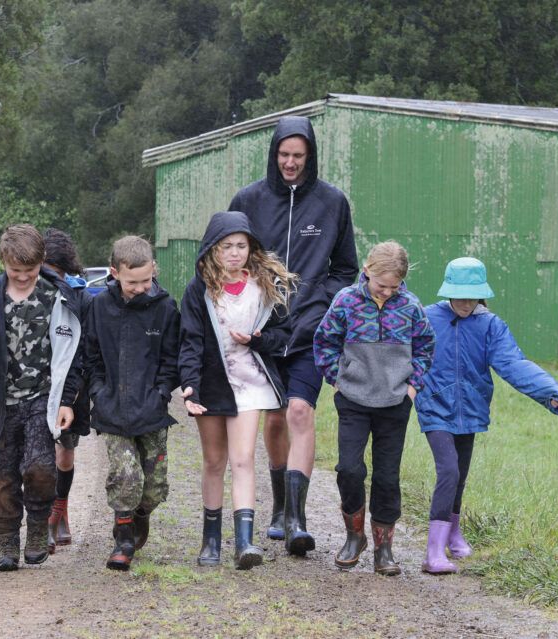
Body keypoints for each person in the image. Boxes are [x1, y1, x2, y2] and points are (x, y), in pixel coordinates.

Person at [228, 115, 358, 555]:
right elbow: (228, 258)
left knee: (300, 410)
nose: (290, 163)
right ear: (273, 153)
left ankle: (299, 518)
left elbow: (345, 270)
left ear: (311, 156)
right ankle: (279, 506)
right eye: (283, 155)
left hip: (310, 330)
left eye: (298, 156)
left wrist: (323, 304)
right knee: (277, 416)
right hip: (261, 329)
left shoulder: (333, 202)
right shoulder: (248, 200)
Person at [415, 257, 558, 574]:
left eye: (471, 296)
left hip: (470, 410)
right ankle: (433, 552)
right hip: (435, 407)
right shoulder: (428, 318)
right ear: (448, 292)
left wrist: (549, 392)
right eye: (459, 295)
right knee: (449, 472)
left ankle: (453, 533)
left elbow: (513, 364)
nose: (465, 302)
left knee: (460, 475)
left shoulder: (491, 326)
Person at [0, 224, 85, 572]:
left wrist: (68, 399)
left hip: (43, 400)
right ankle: (7, 540)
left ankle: (39, 526)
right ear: (3, 262)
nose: (23, 278)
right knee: (4, 478)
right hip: (1, 403)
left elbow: (73, 353)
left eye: (30, 271)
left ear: (42, 262)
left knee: (41, 468)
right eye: (15, 271)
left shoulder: (59, 298)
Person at [179, 211, 296, 569]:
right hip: (211, 385)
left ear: (251, 248)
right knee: (215, 461)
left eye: (241, 246)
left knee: (243, 459)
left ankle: (244, 542)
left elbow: (282, 334)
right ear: (212, 250)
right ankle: (210, 539)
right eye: (226, 246)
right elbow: (190, 342)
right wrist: (189, 385)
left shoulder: (265, 286)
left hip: (249, 385)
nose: (234, 253)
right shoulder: (198, 290)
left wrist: (259, 340)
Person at [313, 241, 435, 576]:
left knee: (387, 475)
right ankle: (355, 536)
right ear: (367, 271)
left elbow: (425, 347)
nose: (386, 292)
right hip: (352, 400)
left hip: (394, 404)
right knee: (349, 469)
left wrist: (412, 387)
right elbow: (324, 341)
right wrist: (337, 378)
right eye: (381, 285)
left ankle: (384, 547)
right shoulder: (346, 301)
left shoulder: (410, 306)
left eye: (393, 287)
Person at [85, 236, 180, 571]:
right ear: (114, 273)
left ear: (154, 270)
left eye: (146, 280)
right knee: (127, 477)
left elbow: (172, 360)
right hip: (112, 409)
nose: (140, 288)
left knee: (153, 487)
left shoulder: (166, 308)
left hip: (151, 410)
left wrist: (162, 393)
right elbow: (91, 356)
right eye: (132, 282)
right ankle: (122, 539)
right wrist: (98, 391)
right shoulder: (99, 307)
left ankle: (140, 515)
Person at [41, 228, 92, 554]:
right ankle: (42, 518)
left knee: (64, 452)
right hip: (35, 381)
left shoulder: (78, 295)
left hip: (71, 384)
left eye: (54, 273)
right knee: (37, 454)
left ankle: (59, 511)